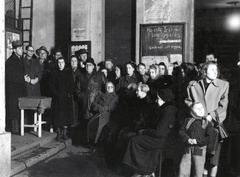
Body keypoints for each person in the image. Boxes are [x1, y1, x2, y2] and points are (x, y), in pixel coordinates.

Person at [185, 61, 229, 177]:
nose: (215, 72)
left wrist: (211, 116)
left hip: (214, 124)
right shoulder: (193, 85)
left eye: (216, 70)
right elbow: (188, 101)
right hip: (198, 124)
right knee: (198, 156)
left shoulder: (224, 85)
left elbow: (223, 106)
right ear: (204, 72)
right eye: (212, 69)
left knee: (214, 157)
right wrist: (195, 110)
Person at [122, 89, 178, 177]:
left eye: (158, 98)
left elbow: (159, 132)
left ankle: (144, 171)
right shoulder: (166, 108)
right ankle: (144, 169)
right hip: (160, 137)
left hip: (163, 140)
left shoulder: (168, 111)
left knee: (135, 140)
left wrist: (143, 131)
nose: (156, 101)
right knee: (133, 137)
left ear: (164, 99)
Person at [178, 102, 213, 177]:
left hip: (199, 150)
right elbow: (181, 132)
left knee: (198, 169)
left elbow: (209, 138)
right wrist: (187, 139)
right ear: (192, 111)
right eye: (198, 108)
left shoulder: (207, 123)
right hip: (187, 149)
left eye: (201, 108)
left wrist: (197, 141)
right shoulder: (188, 121)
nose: (201, 110)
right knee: (184, 168)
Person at [49, 57, 75, 142]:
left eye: (62, 62)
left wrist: (68, 93)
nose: (60, 64)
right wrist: (56, 94)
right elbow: (51, 85)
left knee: (66, 116)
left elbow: (72, 84)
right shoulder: (53, 73)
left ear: (65, 63)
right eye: (59, 62)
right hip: (57, 98)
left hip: (66, 98)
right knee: (58, 116)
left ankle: (65, 133)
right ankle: (59, 133)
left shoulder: (69, 72)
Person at [75, 57, 106, 128]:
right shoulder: (80, 77)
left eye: (90, 65)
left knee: (97, 121)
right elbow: (77, 90)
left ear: (93, 66)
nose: (88, 66)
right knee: (86, 121)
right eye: (86, 65)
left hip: (98, 101)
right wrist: (82, 96)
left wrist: (101, 97)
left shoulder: (100, 75)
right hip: (85, 103)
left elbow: (106, 87)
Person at [87, 81, 119, 150]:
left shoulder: (115, 97)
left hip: (108, 115)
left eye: (111, 87)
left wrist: (104, 108)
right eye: (108, 87)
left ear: (113, 88)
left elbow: (111, 106)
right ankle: (91, 142)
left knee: (99, 126)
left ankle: (95, 144)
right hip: (99, 113)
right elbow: (93, 104)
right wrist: (99, 108)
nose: (109, 88)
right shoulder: (101, 95)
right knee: (91, 124)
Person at [5, 40, 28, 134]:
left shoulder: (20, 59)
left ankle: (20, 128)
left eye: (22, 48)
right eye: (19, 48)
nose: (22, 50)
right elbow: (10, 76)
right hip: (14, 91)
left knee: (19, 110)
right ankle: (15, 129)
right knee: (14, 111)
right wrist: (23, 78)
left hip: (20, 89)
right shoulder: (10, 61)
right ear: (14, 50)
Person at [70, 55, 81, 127]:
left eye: (75, 61)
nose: (73, 63)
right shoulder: (68, 71)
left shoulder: (80, 71)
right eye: (72, 61)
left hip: (77, 93)